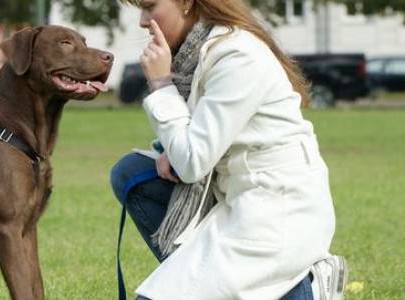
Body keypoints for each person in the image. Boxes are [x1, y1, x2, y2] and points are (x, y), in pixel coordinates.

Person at [110, 0, 347, 299]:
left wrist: (161, 84)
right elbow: (199, 139)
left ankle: (306, 286)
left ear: (185, 3)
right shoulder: (197, 52)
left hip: (274, 210)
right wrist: (169, 149)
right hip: (230, 199)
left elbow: (193, 162)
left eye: (149, 6)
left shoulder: (238, 55)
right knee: (131, 172)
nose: (143, 21)